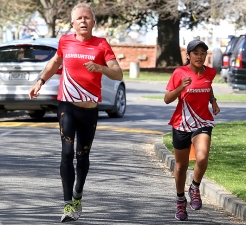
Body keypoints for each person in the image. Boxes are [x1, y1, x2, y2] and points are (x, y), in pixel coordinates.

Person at [28, 2, 123, 223]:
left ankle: (78, 194)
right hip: (67, 106)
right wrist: (40, 81)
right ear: (73, 23)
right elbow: (55, 61)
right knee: (67, 152)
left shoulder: (101, 44)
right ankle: (68, 204)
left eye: (87, 18)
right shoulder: (65, 41)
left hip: (89, 111)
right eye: (79, 18)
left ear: (93, 22)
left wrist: (101, 68)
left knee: (82, 156)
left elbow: (117, 74)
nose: (83, 21)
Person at [164, 40, 220, 221]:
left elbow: (207, 85)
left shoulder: (210, 72)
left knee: (202, 157)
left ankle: (194, 187)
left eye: (203, 53)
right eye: (195, 53)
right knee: (181, 167)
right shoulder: (179, 72)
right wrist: (181, 87)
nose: (199, 56)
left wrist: (213, 101)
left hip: (203, 121)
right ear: (188, 55)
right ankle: (180, 201)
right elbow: (167, 99)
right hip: (182, 123)